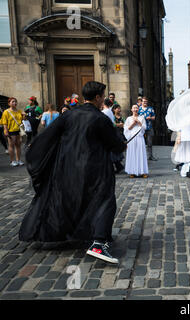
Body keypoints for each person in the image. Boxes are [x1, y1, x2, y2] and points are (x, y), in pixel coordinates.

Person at [19, 81, 127, 264]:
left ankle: (79, 234)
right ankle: (99, 243)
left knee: (71, 198)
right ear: (99, 97)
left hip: (68, 166)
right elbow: (114, 144)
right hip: (96, 168)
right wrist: (121, 142)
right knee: (104, 200)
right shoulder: (100, 119)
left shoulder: (69, 115)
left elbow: (48, 134)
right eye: (103, 96)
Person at [124, 105, 148, 178]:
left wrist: (139, 122)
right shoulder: (128, 118)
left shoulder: (142, 118)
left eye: (136, 108)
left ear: (138, 109)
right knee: (132, 153)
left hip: (140, 137)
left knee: (140, 153)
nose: (135, 109)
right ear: (131, 109)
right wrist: (133, 123)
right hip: (131, 138)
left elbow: (145, 127)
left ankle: (142, 171)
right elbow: (126, 129)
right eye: (134, 108)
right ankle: (132, 171)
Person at [1, 97, 25, 167]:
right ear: (9, 103)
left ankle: (18, 160)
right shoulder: (6, 112)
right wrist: (5, 130)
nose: (15, 103)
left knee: (18, 145)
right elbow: (4, 122)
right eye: (13, 102)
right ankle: (12, 161)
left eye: (15, 101)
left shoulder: (19, 111)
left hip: (19, 130)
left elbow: (23, 120)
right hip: (11, 130)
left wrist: (23, 115)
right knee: (11, 145)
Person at [112, 105, 125, 174]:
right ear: (114, 110)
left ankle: (118, 165)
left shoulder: (122, 117)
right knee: (115, 150)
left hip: (121, 135)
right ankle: (118, 165)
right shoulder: (112, 117)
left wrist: (120, 125)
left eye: (120, 108)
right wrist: (118, 125)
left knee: (119, 149)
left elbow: (124, 124)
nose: (119, 109)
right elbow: (113, 124)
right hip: (115, 134)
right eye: (117, 108)